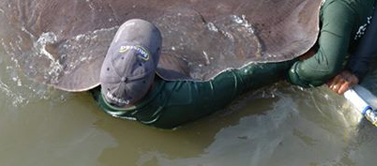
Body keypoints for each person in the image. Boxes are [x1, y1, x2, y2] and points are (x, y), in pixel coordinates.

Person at [90, 19, 292, 129]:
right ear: (151, 81)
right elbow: (244, 78)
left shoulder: (91, 87)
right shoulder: (185, 98)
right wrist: (293, 58)